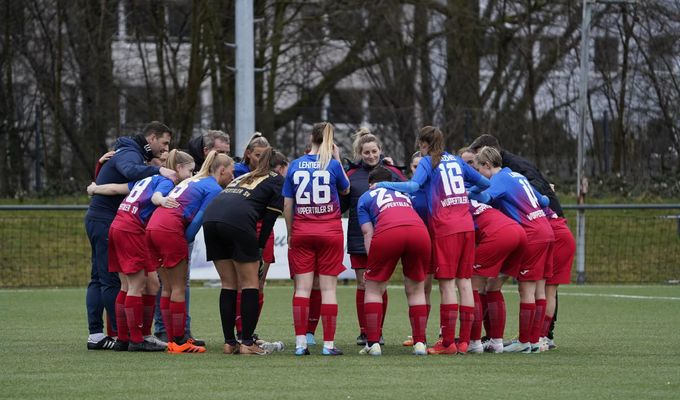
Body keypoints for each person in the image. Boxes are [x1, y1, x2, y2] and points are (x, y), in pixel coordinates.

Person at [375, 126, 490, 355]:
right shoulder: (457, 161)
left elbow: (413, 186)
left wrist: (383, 184)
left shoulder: (428, 161)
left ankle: (447, 343)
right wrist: (467, 193)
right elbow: (485, 183)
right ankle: (465, 341)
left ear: (423, 144)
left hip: (446, 227)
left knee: (447, 284)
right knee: (464, 282)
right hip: (467, 225)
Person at [86, 150, 195, 351]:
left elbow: (116, 189)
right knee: (135, 285)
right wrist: (162, 201)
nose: (191, 175)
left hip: (117, 226)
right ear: (178, 168)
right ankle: (136, 340)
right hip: (131, 230)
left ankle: (130, 336)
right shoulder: (166, 181)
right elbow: (156, 197)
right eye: (190, 170)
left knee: (148, 284)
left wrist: (95, 188)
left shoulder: (146, 179)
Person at [468, 133, 565, 341]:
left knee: (525, 289)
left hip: (531, 233)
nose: (479, 175)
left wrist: (465, 192)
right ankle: (537, 340)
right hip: (547, 231)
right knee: (539, 289)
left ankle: (523, 341)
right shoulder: (516, 175)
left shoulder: (499, 179)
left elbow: (485, 198)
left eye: (478, 170)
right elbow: (545, 200)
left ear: (486, 165)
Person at [146, 150, 234, 353]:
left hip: (153, 227)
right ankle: (179, 342)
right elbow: (198, 220)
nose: (232, 176)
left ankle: (171, 341)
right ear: (221, 170)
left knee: (167, 288)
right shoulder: (213, 188)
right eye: (231, 172)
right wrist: (184, 241)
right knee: (177, 287)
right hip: (169, 230)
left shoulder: (193, 180)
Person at [202, 148, 286, 355]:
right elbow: (269, 220)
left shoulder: (245, 175)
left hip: (211, 219)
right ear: (281, 167)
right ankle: (248, 342)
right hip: (237, 222)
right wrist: (258, 247)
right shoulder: (277, 179)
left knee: (228, 284)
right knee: (251, 284)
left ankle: (229, 343)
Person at [283, 122, 350, 356]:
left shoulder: (293, 165)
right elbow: (346, 189)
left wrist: (291, 232)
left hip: (302, 230)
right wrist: (337, 159)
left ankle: (301, 344)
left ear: (311, 137)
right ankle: (328, 345)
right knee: (328, 289)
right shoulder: (331, 164)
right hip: (330, 231)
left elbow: (287, 205)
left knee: (302, 289)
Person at [341, 127, 406, 346]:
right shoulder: (350, 175)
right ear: (360, 153)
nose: (371, 156)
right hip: (359, 238)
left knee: (380, 285)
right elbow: (341, 204)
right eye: (366, 152)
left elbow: (408, 192)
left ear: (380, 150)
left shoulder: (392, 173)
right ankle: (364, 332)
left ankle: (377, 331)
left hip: (387, 237)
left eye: (374, 151)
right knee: (363, 284)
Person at [357, 167, 431, 356]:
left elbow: (368, 233)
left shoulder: (366, 196)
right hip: (419, 232)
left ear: (370, 183)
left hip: (389, 231)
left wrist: (371, 267)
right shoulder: (403, 194)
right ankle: (420, 342)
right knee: (416, 290)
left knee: (373, 288)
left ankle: (373, 344)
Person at [231, 132, 273, 340]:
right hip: (241, 228)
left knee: (260, 283)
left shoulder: (272, 174)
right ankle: (239, 331)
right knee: (241, 282)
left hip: (265, 231)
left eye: (265, 156)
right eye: (257, 155)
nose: (260, 160)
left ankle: (249, 330)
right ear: (248, 154)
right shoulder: (236, 172)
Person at [542, 206, 575, 350]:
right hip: (560, 234)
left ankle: (541, 337)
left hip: (556, 238)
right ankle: (543, 337)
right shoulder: (532, 189)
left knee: (544, 290)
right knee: (548, 291)